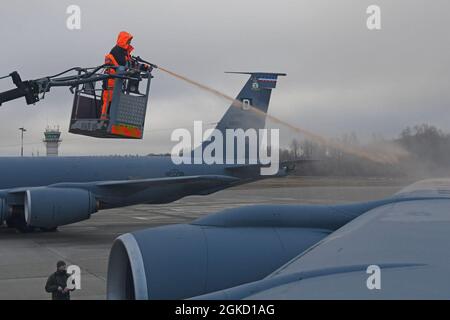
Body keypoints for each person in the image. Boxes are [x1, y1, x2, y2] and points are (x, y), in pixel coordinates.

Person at [100, 31, 152, 120]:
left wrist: (144, 67)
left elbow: (131, 63)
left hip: (118, 80)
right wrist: (139, 67)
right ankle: (104, 119)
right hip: (111, 80)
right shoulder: (117, 51)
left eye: (130, 41)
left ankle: (112, 118)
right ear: (123, 40)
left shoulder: (124, 52)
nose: (129, 43)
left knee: (115, 100)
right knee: (107, 99)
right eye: (128, 41)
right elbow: (126, 64)